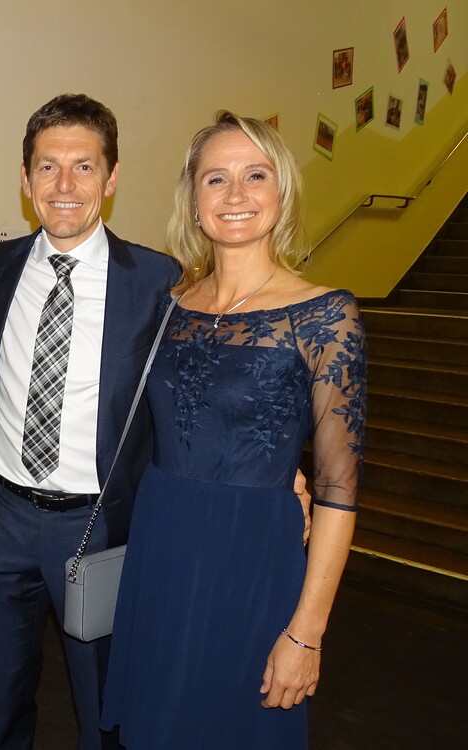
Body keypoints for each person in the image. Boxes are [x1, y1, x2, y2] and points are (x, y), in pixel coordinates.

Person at [100, 111, 366, 748]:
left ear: (283, 192)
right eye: (216, 178)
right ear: (194, 200)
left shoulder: (326, 315)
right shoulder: (171, 304)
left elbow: (338, 488)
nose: (236, 193)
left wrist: (307, 633)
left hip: (251, 555)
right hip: (162, 543)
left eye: (256, 175)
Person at [0, 93, 181, 750]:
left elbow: (189, 397)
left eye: (83, 167)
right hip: (1, 516)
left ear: (111, 178)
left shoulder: (157, 281)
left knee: (102, 696)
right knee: (1, 689)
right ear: (25, 178)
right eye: (47, 167)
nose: (64, 185)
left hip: (96, 525)